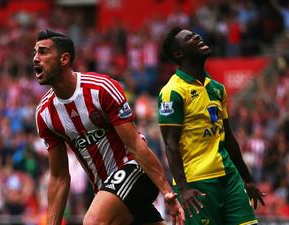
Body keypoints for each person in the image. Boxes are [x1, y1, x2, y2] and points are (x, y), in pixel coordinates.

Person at [33, 28, 185, 225]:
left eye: (43, 52)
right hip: (106, 189)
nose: (36, 58)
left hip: (136, 169)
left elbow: (135, 145)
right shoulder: (45, 114)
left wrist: (166, 192)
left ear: (64, 59)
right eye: (35, 53)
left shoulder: (100, 88)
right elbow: (59, 177)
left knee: (93, 222)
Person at [158, 26, 266, 225]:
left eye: (195, 34)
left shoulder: (217, 88)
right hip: (197, 183)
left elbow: (229, 138)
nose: (197, 36)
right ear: (179, 53)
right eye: (190, 38)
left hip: (229, 176)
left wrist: (248, 179)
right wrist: (183, 189)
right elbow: (170, 145)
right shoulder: (172, 92)